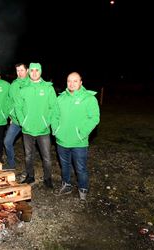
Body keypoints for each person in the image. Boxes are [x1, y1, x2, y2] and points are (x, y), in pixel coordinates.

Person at [52, 72, 100, 201]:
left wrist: (82, 133)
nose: (71, 84)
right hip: (62, 140)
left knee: (81, 167)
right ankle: (66, 184)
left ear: (81, 82)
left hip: (79, 142)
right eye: (69, 81)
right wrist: (56, 130)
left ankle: (83, 188)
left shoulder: (88, 98)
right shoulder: (61, 98)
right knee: (65, 165)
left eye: (75, 81)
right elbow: (54, 115)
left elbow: (94, 118)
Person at [15, 63, 59, 188]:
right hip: (27, 129)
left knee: (46, 157)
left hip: (43, 130)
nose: (34, 73)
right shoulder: (23, 88)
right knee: (28, 155)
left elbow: (54, 107)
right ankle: (30, 176)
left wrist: (47, 122)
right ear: (29, 72)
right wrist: (23, 121)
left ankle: (48, 178)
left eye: (37, 70)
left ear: (40, 71)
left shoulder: (48, 88)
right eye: (32, 70)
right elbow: (18, 107)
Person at [3, 63, 29, 170]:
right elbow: (9, 101)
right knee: (7, 141)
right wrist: (11, 115)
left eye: (22, 70)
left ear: (27, 71)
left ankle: (29, 171)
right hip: (16, 121)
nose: (19, 73)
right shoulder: (13, 85)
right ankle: (11, 164)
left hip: (29, 121)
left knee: (29, 148)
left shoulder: (31, 84)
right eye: (17, 70)